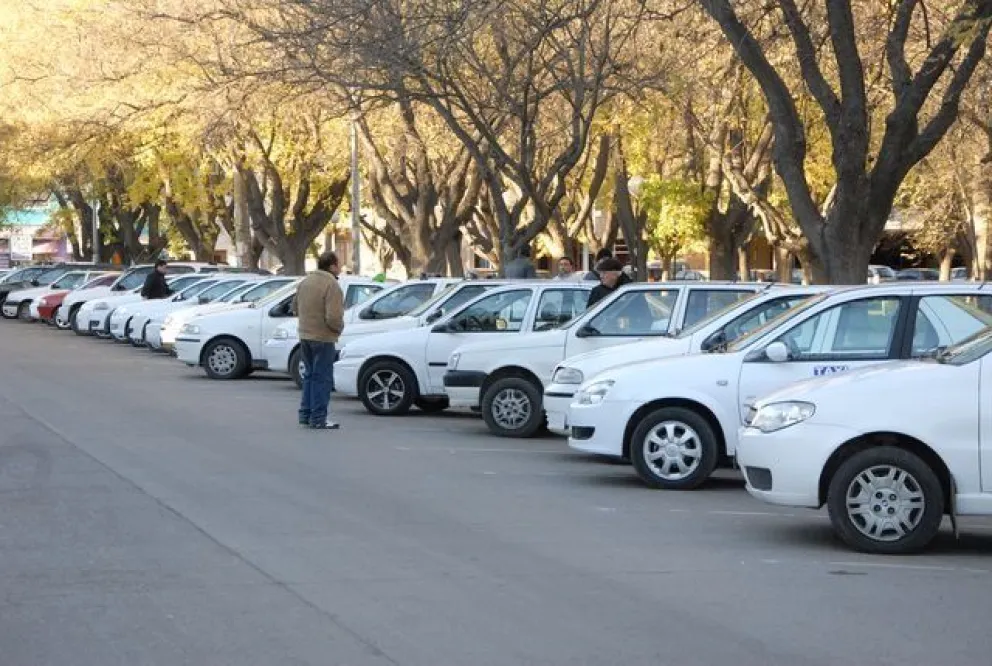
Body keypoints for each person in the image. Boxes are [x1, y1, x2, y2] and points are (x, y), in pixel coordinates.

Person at [293, 251, 345, 430]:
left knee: (309, 376)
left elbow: (294, 307)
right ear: (332, 266)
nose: (341, 267)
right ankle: (318, 418)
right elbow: (333, 316)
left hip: (305, 335)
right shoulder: (331, 285)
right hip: (323, 337)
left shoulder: (305, 282)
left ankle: (305, 414)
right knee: (322, 378)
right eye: (339, 264)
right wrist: (338, 329)